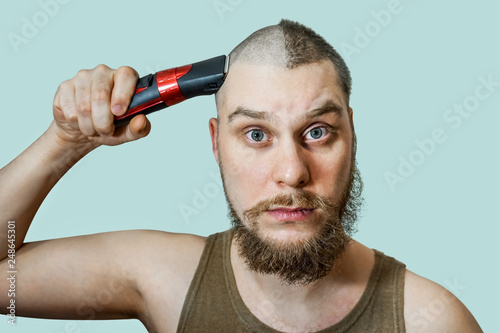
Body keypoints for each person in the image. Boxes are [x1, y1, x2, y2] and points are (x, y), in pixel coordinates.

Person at [0, 19, 482, 333]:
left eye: (317, 131)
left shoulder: (431, 322)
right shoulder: (164, 278)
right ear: (215, 143)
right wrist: (63, 142)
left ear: (351, 135)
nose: (292, 172)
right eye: (256, 135)